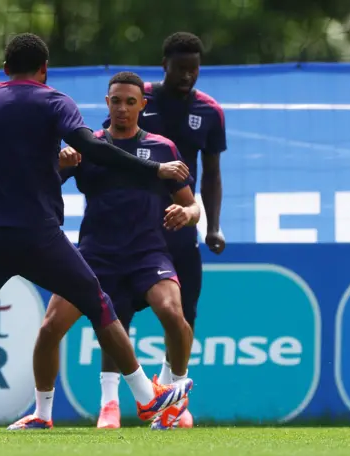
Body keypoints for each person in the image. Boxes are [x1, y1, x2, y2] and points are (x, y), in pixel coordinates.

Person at [0, 33, 193, 433]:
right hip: (38, 235)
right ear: (44, 70)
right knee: (100, 305)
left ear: (5, 70)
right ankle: (146, 398)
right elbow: (93, 147)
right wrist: (154, 169)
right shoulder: (55, 101)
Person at [9, 71, 200, 431]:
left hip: (148, 253)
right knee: (50, 328)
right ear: (106, 102)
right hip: (94, 255)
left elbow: (194, 208)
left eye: (131, 102)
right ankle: (42, 415)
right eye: (116, 101)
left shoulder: (163, 148)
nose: (123, 108)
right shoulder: (86, 147)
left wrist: (185, 212)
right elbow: (38, 185)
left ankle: (173, 396)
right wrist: (59, 164)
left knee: (174, 315)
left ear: (143, 105)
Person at [99, 31, 228, 428]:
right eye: (181, 68)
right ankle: (110, 404)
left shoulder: (209, 111)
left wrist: (211, 226)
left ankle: (172, 399)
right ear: (164, 66)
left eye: (194, 69)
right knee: (117, 313)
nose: (189, 76)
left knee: (182, 314)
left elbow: (211, 175)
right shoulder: (137, 101)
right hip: (132, 227)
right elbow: (107, 151)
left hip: (179, 227)